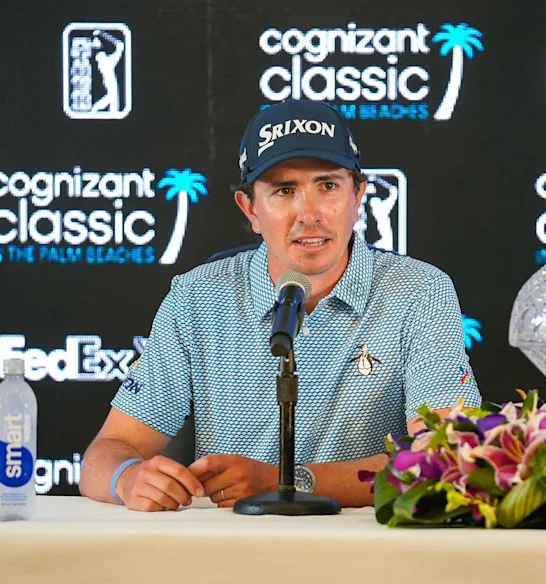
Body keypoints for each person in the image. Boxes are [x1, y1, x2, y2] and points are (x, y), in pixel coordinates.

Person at [79, 99, 480, 511]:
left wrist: (288, 482)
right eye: (284, 191)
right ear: (250, 208)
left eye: (328, 186)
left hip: (365, 543)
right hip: (229, 544)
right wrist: (127, 478)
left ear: (357, 196)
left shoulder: (419, 291)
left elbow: (446, 457)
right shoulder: (196, 296)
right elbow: (108, 450)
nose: (309, 214)